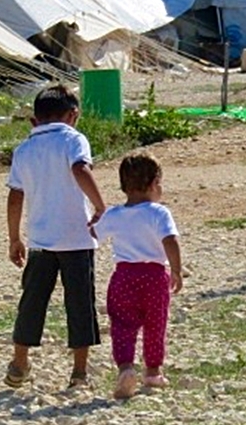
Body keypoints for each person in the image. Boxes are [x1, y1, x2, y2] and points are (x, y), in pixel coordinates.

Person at [4, 84, 107, 389]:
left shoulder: (24, 150)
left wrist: (14, 238)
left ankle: (20, 363)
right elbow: (80, 170)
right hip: (77, 237)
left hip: (39, 241)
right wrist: (101, 206)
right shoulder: (74, 140)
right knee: (80, 304)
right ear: (73, 115)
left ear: (34, 120)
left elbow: (15, 195)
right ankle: (79, 372)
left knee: (32, 301)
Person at [93, 153, 183, 400]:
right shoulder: (159, 213)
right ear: (155, 184)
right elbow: (170, 240)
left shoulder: (113, 214)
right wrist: (176, 269)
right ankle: (153, 371)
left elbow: (92, 238)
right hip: (154, 277)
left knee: (122, 324)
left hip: (124, 276)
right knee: (156, 324)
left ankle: (126, 367)